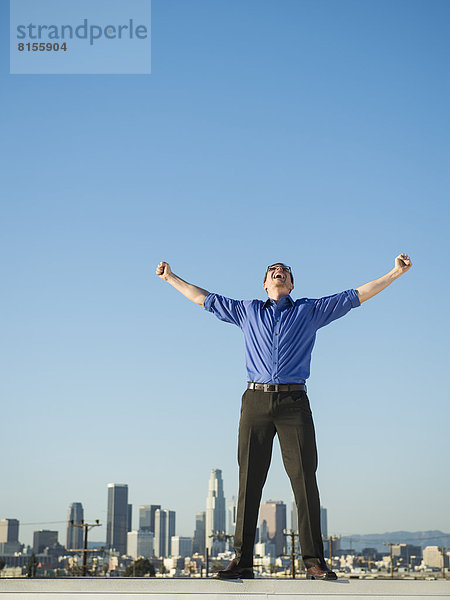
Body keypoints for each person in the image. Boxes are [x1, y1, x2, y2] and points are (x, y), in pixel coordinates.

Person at [156, 254, 412, 580]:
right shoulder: (246, 311)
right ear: (265, 284)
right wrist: (171, 278)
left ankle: (313, 561)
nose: (279, 273)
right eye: (273, 272)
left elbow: (355, 296)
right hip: (255, 402)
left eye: (285, 272)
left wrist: (394, 273)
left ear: (291, 284)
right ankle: (243, 561)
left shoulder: (309, 310)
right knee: (249, 481)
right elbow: (203, 298)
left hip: (294, 402)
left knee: (305, 480)